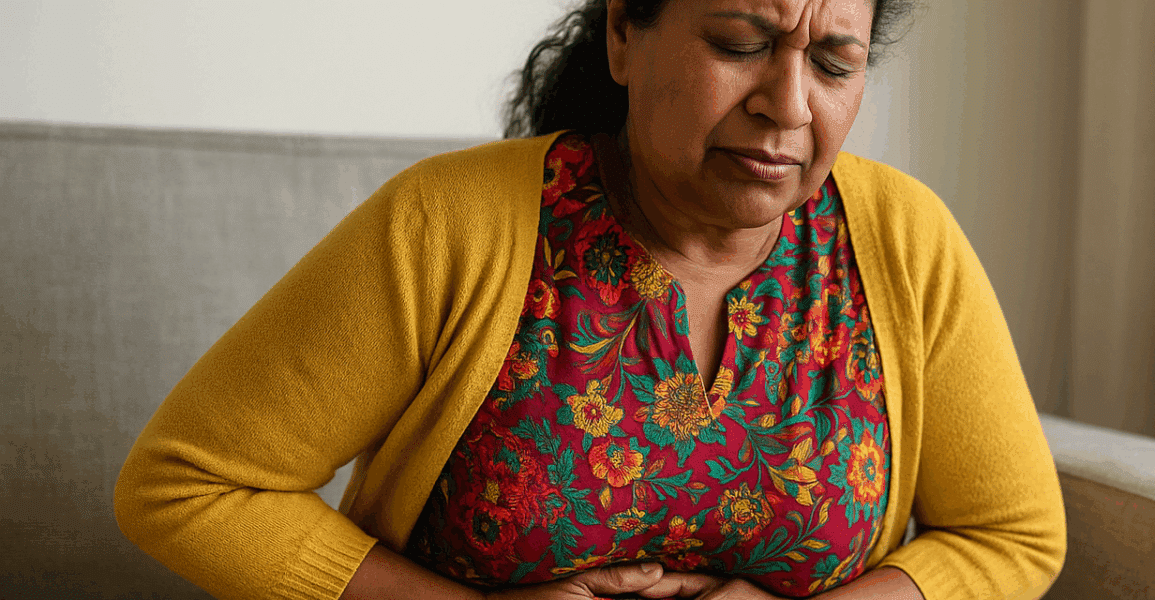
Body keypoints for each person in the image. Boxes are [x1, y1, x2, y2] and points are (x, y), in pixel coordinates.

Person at [114, 0, 1067, 599]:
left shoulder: (903, 240)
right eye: (742, 43)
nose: (788, 103)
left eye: (833, 63)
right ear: (622, 32)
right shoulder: (449, 224)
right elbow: (187, 485)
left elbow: (1012, 535)